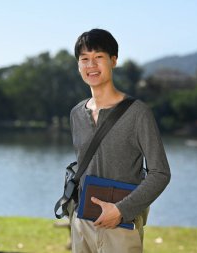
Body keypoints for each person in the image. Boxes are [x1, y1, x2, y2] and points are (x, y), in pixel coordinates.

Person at [69, 28, 171, 253]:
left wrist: (122, 210)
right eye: (84, 59)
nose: (91, 65)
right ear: (78, 65)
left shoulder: (138, 113)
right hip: (82, 224)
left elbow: (160, 173)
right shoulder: (76, 113)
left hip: (121, 226)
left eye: (98, 57)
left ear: (113, 60)